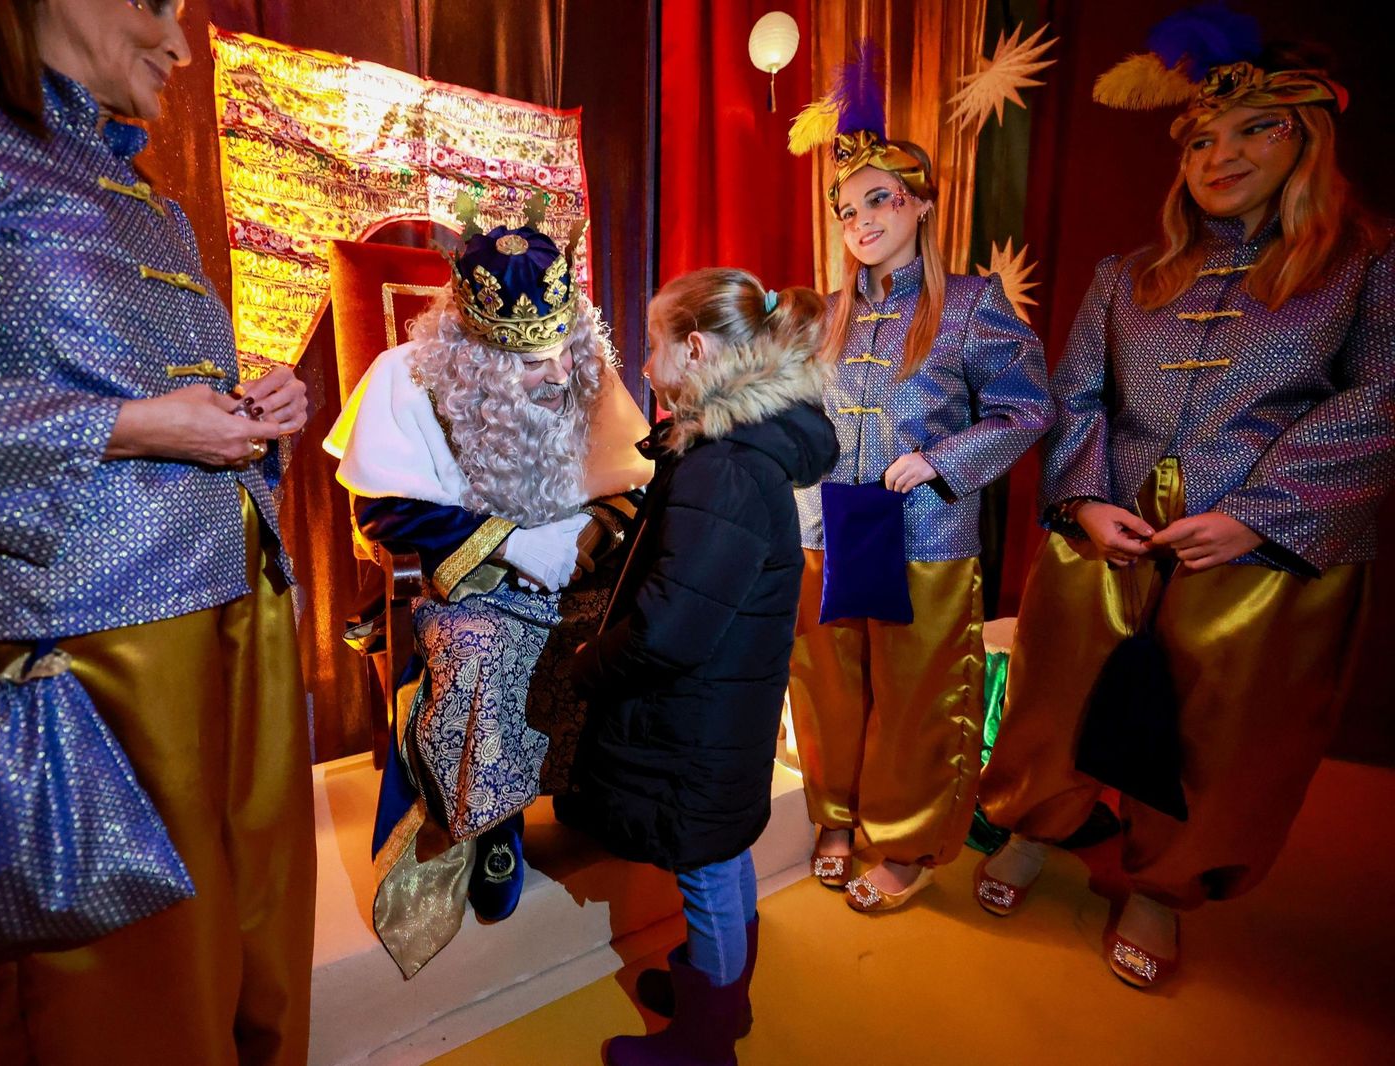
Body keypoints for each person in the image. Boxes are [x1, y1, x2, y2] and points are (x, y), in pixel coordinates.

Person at [0, 2, 316, 1062]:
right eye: (158, 3)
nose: (180, 43)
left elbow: (153, 407)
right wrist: (122, 427)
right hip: (83, 660)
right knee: (126, 1015)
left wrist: (254, 416)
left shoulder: (142, 194)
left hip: (243, 624)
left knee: (257, 989)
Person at [976, 6, 1394, 989]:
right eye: (1202, 137)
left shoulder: (1361, 266)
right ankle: (1037, 825)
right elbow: (1075, 393)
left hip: (1258, 552)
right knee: (1052, 692)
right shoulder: (1129, 276)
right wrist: (1081, 502)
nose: (1221, 153)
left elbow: (1381, 396)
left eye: (1254, 129)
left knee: (1222, 730)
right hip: (1107, 533)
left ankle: (1163, 887)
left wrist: (1256, 512)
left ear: (1307, 138)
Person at [325, 207, 653, 978]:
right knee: (487, 650)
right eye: (525, 361)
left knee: (646, 629)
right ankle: (489, 821)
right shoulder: (405, 379)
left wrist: (586, 536)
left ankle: (601, 796)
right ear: (472, 348)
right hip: (471, 580)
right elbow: (383, 507)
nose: (552, 376)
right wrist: (510, 543)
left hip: (578, 571)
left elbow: (632, 479)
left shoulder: (582, 366)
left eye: (556, 352)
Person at [783, 43, 1053, 912]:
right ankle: (833, 812)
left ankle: (902, 843)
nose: (859, 219)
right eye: (845, 207)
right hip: (828, 528)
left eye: (878, 200)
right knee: (827, 682)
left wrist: (940, 462)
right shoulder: (824, 317)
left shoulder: (971, 306)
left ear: (921, 203)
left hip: (925, 534)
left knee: (913, 695)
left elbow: (1028, 409)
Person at [561, 268, 836, 1066]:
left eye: (651, 346)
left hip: (698, 717)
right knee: (720, 856)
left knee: (707, 871)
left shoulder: (726, 468)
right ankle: (721, 998)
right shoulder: (736, 450)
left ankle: (704, 1044)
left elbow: (668, 630)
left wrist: (588, 664)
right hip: (719, 713)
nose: (643, 365)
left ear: (695, 346)